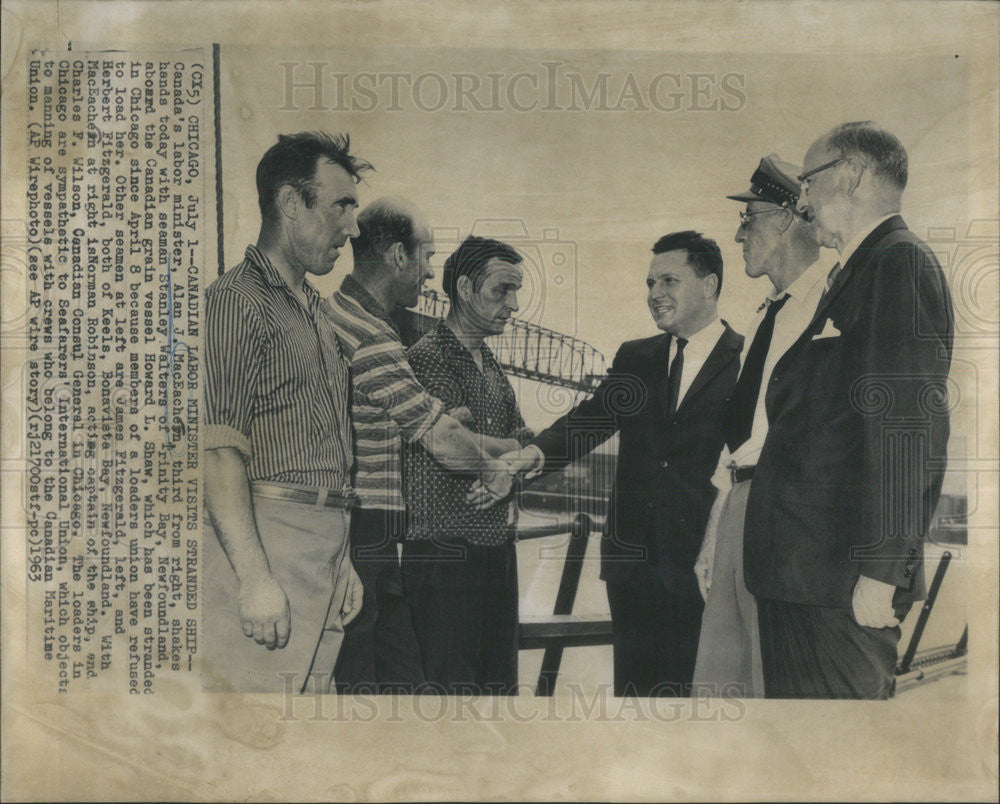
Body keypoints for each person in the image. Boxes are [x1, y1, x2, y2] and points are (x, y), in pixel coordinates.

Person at [743, 122, 954, 698]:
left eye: (808, 182)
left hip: (837, 583)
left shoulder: (897, 262)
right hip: (804, 576)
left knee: (837, 760)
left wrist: (882, 573)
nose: (802, 200)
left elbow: (908, 429)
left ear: (854, 175)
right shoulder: (861, 270)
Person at [502, 231, 743, 697]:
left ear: (709, 284)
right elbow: (591, 419)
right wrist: (534, 454)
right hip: (631, 565)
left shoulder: (746, 358)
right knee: (633, 704)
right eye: (650, 283)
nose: (655, 295)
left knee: (698, 704)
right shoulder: (637, 357)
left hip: (703, 563)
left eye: (669, 281)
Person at [202, 131, 370, 693]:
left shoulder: (316, 312)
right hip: (269, 545)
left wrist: (340, 558)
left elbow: (322, 448)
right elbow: (219, 448)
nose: (352, 227)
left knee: (306, 740)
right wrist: (253, 579)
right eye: (340, 206)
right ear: (291, 203)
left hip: (324, 548)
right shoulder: (236, 299)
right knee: (256, 737)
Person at [327, 200, 513, 693]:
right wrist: (499, 468)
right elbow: (444, 443)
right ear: (397, 257)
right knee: (376, 685)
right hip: (367, 528)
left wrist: (461, 432)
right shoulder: (374, 337)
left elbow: (419, 419)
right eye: (427, 258)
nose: (431, 275)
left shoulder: (341, 317)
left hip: (364, 528)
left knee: (397, 683)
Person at [691, 154, 828, 698]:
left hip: (788, 513)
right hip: (740, 505)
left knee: (774, 683)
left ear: (789, 217)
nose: (738, 232)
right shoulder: (764, 313)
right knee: (721, 681)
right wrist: (716, 525)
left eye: (749, 218)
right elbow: (742, 436)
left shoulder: (829, 302)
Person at [402, 236, 535, 694]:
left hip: (496, 552)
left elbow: (525, 440)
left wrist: (491, 448)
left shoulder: (490, 363)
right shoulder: (427, 357)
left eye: (515, 292)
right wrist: (504, 452)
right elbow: (452, 444)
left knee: (499, 696)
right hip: (443, 555)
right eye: (502, 290)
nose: (514, 304)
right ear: (463, 287)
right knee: (450, 701)